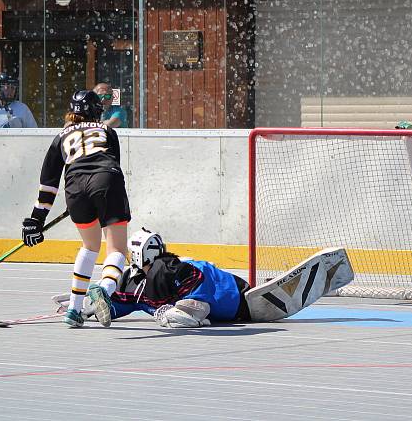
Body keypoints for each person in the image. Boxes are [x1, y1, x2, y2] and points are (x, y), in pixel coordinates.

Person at [57, 229, 355, 328]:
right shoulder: (141, 282)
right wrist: (90, 308)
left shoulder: (165, 270)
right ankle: (187, 310)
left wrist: (192, 305)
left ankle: (189, 310)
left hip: (234, 299)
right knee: (173, 308)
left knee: (179, 308)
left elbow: (200, 279)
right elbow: (118, 306)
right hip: (232, 302)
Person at [22, 89, 131, 328]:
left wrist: (36, 220)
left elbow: (48, 184)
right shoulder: (107, 131)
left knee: (90, 247)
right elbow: (113, 165)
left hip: (75, 188)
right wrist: (98, 193)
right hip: (106, 180)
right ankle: (104, 288)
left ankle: (74, 309)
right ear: (95, 112)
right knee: (117, 250)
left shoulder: (60, 136)